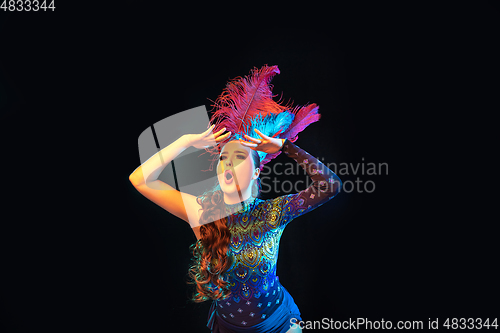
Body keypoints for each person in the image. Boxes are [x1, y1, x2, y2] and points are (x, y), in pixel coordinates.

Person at [129, 65, 342, 332]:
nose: (227, 164)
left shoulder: (272, 212)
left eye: (238, 157)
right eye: (223, 158)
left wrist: (287, 147)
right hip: (229, 327)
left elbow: (331, 186)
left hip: (279, 323)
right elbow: (140, 179)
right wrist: (183, 142)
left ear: (255, 173)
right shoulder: (201, 211)